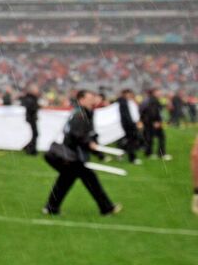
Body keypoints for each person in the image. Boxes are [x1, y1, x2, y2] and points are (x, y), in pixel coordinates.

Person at [43, 89, 122, 217]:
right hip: (73, 155)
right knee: (90, 180)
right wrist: (89, 143)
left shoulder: (81, 112)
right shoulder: (80, 114)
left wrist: (92, 145)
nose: (92, 101)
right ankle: (106, 208)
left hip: (73, 155)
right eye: (89, 98)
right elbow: (77, 134)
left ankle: (51, 207)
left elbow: (84, 134)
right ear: (81, 99)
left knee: (65, 181)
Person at [141, 87, 171, 161]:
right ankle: (160, 154)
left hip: (151, 122)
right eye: (158, 91)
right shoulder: (152, 100)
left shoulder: (151, 99)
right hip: (153, 122)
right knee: (159, 137)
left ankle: (149, 153)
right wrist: (155, 122)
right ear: (154, 92)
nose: (160, 93)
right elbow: (151, 112)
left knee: (151, 138)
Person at [115, 88, 142, 165]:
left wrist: (138, 122)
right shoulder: (122, 102)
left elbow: (135, 113)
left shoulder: (131, 102)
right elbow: (126, 115)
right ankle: (132, 158)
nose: (129, 95)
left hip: (133, 124)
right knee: (127, 141)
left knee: (128, 141)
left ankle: (121, 154)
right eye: (128, 94)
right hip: (127, 125)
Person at [20, 85, 40, 156]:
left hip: (32, 118)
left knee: (35, 134)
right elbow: (31, 107)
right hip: (31, 118)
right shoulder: (30, 98)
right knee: (36, 134)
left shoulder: (31, 98)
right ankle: (31, 149)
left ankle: (29, 147)